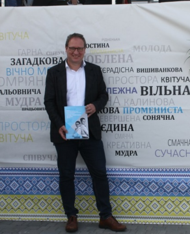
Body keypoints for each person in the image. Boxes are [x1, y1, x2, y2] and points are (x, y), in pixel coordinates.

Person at [44, 33, 126, 233]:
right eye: (72, 48)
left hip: (89, 128)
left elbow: (103, 95)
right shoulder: (54, 72)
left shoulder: (95, 71)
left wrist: (95, 106)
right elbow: (49, 101)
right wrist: (59, 124)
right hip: (64, 130)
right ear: (66, 49)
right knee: (66, 174)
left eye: (80, 48)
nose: (76, 52)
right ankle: (71, 216)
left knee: (99, 173)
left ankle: (105, 216)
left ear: (85, 50)